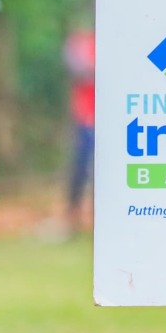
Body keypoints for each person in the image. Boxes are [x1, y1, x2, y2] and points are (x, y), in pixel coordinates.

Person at [63, 22, 96, 234]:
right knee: (80, 167)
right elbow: (79, 69)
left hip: (108, 118)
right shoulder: (79, 42)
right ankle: (73, 218)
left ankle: (98, 218)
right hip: (86, 116)